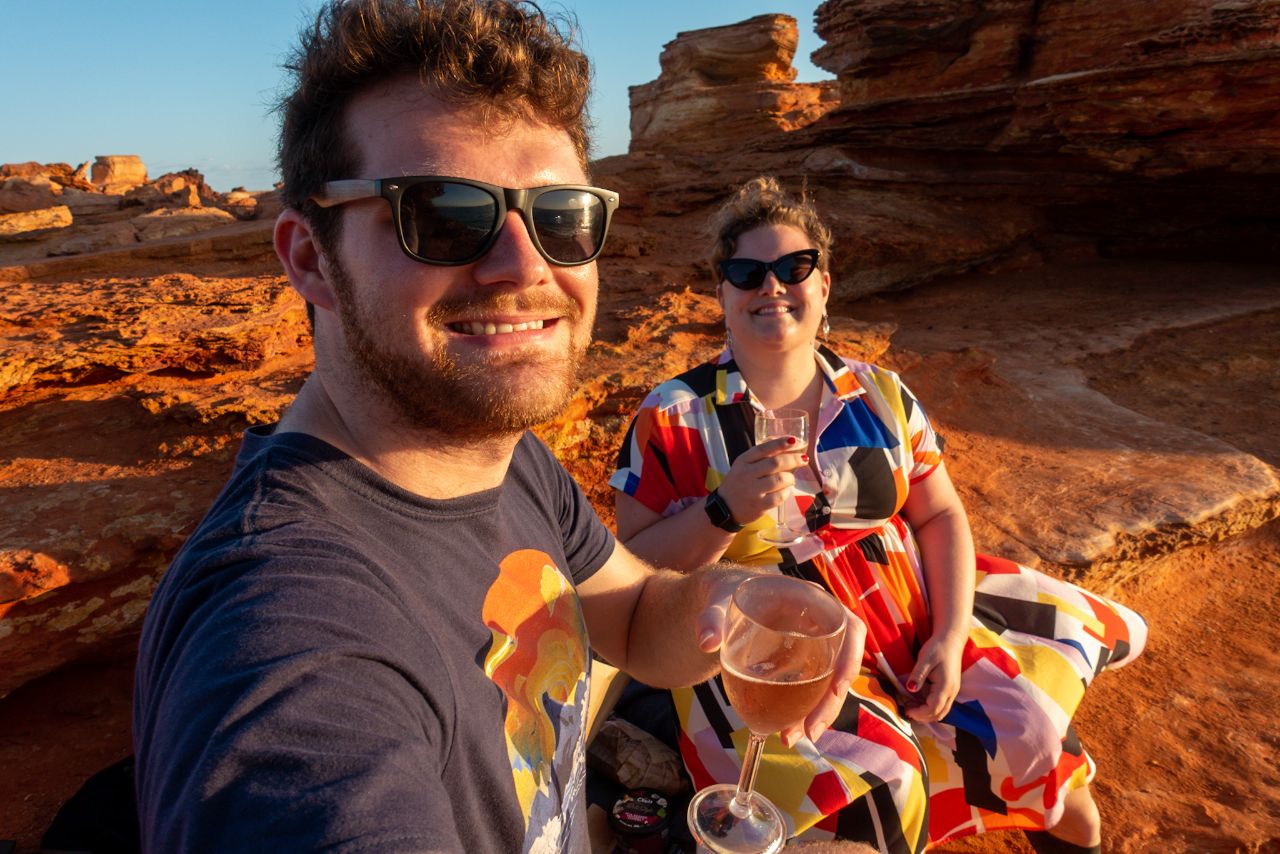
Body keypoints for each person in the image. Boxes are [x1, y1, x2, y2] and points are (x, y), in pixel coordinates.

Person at [131, 7, 861, 853]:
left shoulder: (498, 457)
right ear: (307, 257)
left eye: (563, 217)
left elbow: (632, 619)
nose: (524, 265)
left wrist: (726, 601)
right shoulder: (290, 646)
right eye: (442, 214)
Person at [610, 177, 1148, 854]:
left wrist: (950, 638)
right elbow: (636, 566)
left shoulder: (877, 392)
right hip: (774, 647)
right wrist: (724, 510)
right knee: (881, 783)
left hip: (909, 612)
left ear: (824, 286)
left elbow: (941, 514)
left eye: (792, 268)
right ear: (722, 294)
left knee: (1035, 741)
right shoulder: (675, 414)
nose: (771, 287)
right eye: (747, 273)